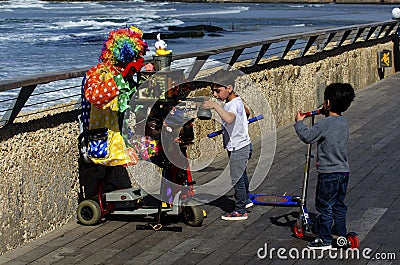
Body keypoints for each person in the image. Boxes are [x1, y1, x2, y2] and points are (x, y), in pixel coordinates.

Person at [294, 83, 355, 249]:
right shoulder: (344, 123)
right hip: (343, 171)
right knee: (339, 204)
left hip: (328, 172)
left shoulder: (324, 124)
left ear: (327, 103)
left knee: (324, 205)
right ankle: (341, 232)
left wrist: (299, 122)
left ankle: (325, 238)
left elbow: (307, 137)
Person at [202, 70, 253, 221]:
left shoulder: (229, 106)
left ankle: (240, 210)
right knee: (242, 175)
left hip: (238, 147)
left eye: (218, 91)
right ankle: (246, 199)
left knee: (236, 178)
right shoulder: (237, 100)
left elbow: (230, 119)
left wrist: (215, 106)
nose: (215, 95)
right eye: (213, 91)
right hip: (243, 144)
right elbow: (247, 112)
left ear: (229, 88)